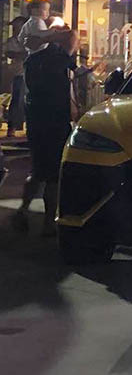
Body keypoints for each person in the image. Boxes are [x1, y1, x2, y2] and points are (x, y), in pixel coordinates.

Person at [11, 29, 78, 236]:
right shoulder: (58, 59)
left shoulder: (33, 61)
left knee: (38, 170)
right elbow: (72, 36)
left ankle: (22, 211)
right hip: (55, 120)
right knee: (54, 176)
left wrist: (45, 38)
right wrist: (50, 36)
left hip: (36, 120)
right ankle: (48, 224)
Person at [4, 17, 29, 137]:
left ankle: (30, 126)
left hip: (31, 74)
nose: (15, 29)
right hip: (18, 74)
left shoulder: (30, 39)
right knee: (16, 100)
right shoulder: (12, 41)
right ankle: (12, 127)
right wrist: (22, 54)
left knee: (30, 101)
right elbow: (9, 53)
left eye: (18, 26)